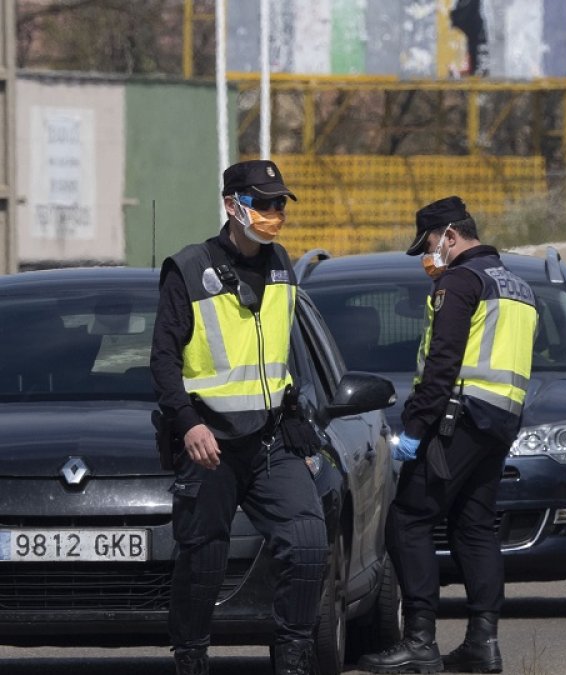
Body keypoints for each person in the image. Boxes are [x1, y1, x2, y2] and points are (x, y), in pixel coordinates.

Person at [151, 159, 327, 675]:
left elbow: (277, 354)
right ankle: (191, 657)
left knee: (308, 543)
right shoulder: (188, 269)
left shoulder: (281, 265)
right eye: (264, 203)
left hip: (271, 440)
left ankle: (293, 656)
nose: (275, 213)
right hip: (210, 442)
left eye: (280, 204)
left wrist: (294, 410)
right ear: (232, 205)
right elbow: (163, 359)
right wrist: (187, 422)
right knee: (203, 559)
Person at [358, 196, 537, 674]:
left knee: (409, 519)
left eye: (431, 244)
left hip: (456, 420)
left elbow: (443, 364)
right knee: (474, 527)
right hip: (499, 426)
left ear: (452, 237)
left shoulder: (460, 282)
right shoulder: (518, 286)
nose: (428, 256)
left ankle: (419, 640)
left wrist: (415, 428)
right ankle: (483, 643)